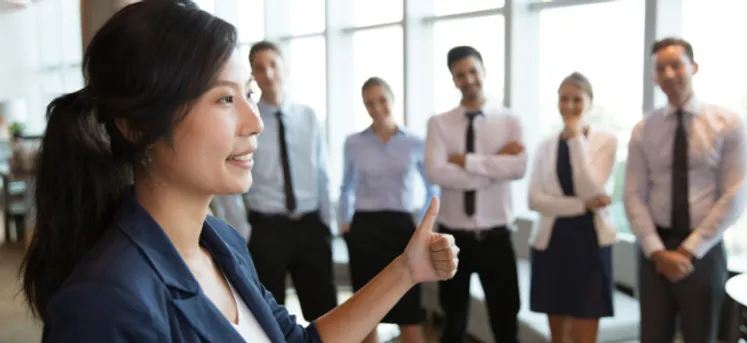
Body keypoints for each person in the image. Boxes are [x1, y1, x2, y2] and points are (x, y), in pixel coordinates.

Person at [19, 1, 459, 342]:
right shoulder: (105, 303)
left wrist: (406, 269)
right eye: (225, 99)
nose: (255, 122)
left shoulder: (220, 243)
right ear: (138, 127)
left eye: (248, 93)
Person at [624, 37, 747, 343]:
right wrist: (657, 251)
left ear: (693, 67)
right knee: (652, 337)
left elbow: (735, 193)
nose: (669, 74)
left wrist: (687, 250)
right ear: (654, 76)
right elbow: (632, 195)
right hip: (654, 252)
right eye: (660, 68)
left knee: (702, 336)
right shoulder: (644, 129)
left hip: (703, 252)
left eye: (676, 65)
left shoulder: (727, 124)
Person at [211, 39, 339, 321]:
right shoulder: (244, 120)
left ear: (285, 68)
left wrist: (326, 223)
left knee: (326, 313)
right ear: (252, 75)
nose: (268, 74)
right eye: (259, 68)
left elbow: (322, 173)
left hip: (310, 226)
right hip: (266, 231)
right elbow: (228, 180)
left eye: (273, 65)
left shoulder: (309, 116)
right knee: (268, 316)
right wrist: (244, 232)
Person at [425, 45, 527, 343]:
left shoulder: (510, 120)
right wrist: (494, 165)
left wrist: (467, 161)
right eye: (460, 75)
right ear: (453, 80)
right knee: (453, 324)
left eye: (473, 71)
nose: (468, 79)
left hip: (497, 237)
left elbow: (518, 168)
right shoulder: (439, 123)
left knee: (506, 323)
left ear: (483, 71)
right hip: (453, 238)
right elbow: (436, 173)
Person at [339, 77, 440, 343]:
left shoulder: (415, 142)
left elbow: (432, 188)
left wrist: (422, 225)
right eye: (369, 103)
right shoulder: (353, 143)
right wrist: (344, 222)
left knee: (409, 314)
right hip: (364, 230)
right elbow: (346, 186)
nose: (377, 107)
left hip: (401, 230)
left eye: (381, 100)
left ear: (392, 100)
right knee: (366, 312)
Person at [527, 72, 618, 343]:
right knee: (558, 336)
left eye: (577, 99)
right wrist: (582, 205)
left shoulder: (606, 141)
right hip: (552, 242)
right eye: (564, 99)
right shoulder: (545, 146)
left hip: (591, 243)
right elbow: (534, 200)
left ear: (590, 103)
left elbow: (592, 188)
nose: (569, 106)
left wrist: (576, 138)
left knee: (584, 335)